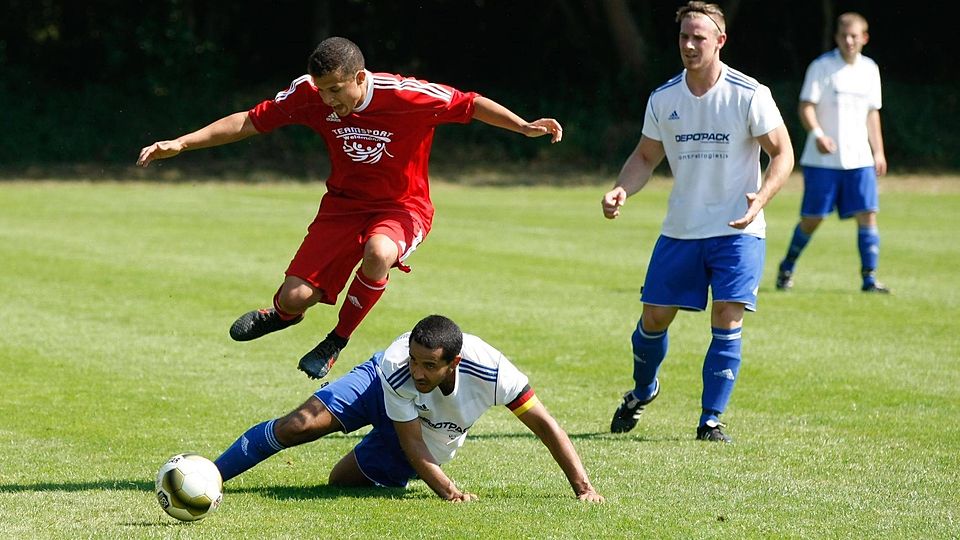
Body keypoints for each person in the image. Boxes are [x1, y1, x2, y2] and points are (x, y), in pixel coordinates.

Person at [137, 37, 563, 380]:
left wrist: (523, 125)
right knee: (295, 296)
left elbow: (470, 103)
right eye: (322, 90)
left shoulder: (406, 95)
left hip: (403, 206)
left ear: (360, 77)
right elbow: (249, 120)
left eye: (336, 90)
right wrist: (183, 142)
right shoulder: (309, 92)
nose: (327, 100)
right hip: (342, 206)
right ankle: (283, 315)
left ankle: (336, 341)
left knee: (379, 252)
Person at [600, 1, 794, 443]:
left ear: (720, 41)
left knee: (727, 317)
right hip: (682, 230)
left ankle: (710, 419)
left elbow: (782, 153)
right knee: (653, 321)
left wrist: (761, 198)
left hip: (738, 229)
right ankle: (644, 389)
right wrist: (621, 189)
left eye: (699, 37)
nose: (689, 45)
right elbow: (646, 156)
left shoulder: (749, 94)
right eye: (684, 37)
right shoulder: (665, 98)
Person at [211, 314, 604, 503]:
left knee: (341, 482)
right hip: (378, 390)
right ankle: (212, 476)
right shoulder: (399, 368)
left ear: (456, 362)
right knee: (300, 425)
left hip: (434, 431)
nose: (418, 371)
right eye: (415, 360)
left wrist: (583, 489)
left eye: (429, 365)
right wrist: (451, 493)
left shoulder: (495, 373)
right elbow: (410, 443)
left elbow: (546, 427)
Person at [775, 13, 889, 293]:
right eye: (844, 36)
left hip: (859, 159)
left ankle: (869, 278)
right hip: (823, 160)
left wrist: (879, 151)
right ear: (837, 37)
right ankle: (787, 266)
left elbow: (872, 113)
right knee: (813, 219)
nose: (849, 41)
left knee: (868, 214)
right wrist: (818, 135)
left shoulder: (870, 69)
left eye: (854, 36)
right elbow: (806, 106)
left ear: (864, 38)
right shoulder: (821, 67)